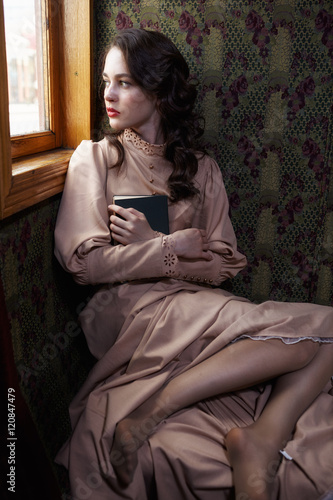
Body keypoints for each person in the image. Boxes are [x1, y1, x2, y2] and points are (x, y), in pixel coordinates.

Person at [54, 28, 333, 500]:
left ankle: (259, 440)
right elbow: (86, 264)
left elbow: (223, 264)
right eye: (106, 80)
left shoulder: (202, 169)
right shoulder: (97, 158)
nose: (108, 94)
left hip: (196, 304)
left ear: (159, 91)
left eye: (124, 82)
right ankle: (169, 415)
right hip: (128, 315)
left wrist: (158, 243)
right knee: (325, 324)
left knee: (323, 337)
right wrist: (168, 248)